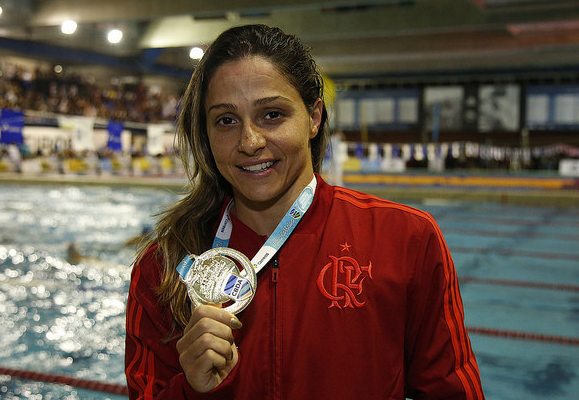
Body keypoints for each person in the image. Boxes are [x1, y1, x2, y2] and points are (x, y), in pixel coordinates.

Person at [125, 24, 484, 400]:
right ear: (207, 133)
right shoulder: (164, 268)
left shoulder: (405, 238)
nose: (250, 142)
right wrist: (192, 391)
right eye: (226, 120)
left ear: (313, 117)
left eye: (272, 114)